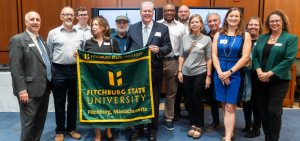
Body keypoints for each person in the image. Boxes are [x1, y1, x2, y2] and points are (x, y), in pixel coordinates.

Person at [126, 1, 172, 141]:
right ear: (140, 13)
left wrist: (159, 50)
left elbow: (168, 47)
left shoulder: (162, 28)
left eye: (149, 11)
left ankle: (152, 130)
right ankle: (138, 129)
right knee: (137, 102)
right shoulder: (132, 28)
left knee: (154, 102)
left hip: (154, 71)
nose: (147, 13)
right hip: (136, 73)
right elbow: (128, 49)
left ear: (153, 13)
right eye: (144, 11)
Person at [252, 10, 298, 141]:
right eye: (271, 21)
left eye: (277, 20)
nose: (274, 23)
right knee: (264, 111)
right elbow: (255, 56)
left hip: (279, 80)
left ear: (283, 22)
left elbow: (289, 60)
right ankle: (268, 136)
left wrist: (269, 74)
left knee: (273, 111)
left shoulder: (291, 38)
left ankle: (273, 138)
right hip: (260, 79)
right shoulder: (262, 37)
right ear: (268, 23)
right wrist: (260, 72)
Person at [74, 16, 120, 141]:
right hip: (93, 81)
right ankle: (98, 133)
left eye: (96, 25)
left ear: (104, 27)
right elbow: (84, 61)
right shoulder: (89, 42)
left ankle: (109, 129)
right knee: (96, 107)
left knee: (109, 105)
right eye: (92, 25)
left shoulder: (112, 42)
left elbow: (119, 60)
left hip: (109, 80)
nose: (93, 27)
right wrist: (78, 55)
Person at [9, 11, 52, 141]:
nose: (35, 22)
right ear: (26, 22)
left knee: (40, 122)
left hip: (44, 89)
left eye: (37, 19)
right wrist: (22, 90)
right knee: (28, 125)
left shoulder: (42, 40)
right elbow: (16, 68)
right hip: (28, 91)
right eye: (32, 19)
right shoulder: (18, 40)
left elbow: (45, 63)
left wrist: (49, 83)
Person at [211, 7, 251, 141]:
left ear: (240, 19)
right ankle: (230, 131)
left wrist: (229, 72)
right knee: (223, 104)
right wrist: (220, 73)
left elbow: (245, 57)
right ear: (226, 18)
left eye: (236, 16)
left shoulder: (245, 35)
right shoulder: (218, 34)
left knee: (230, 106)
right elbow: (214, 55)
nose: (233, 18)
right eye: (231, 16)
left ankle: (228, 137)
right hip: (219, 72)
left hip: (235, 74)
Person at [47, 6, 86, 141]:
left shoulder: (80, 33)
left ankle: (71, 129)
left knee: (73, 102)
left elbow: (84, 52)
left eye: (71, 15)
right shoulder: (53, 33)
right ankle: (59, 131)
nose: (69, 17)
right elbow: (49, 54)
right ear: (61, 16)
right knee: (59, 102)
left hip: (76, 70)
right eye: (66, 14)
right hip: (58, 70)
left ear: (74, 17)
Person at [177, 14, 212, 139]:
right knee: (188, 100)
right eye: (192, 22)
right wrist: (179, 71)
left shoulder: (207, 39)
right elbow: (181, 56)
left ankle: (199, 125)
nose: (195, 24)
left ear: (201, 24)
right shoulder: (185, 38)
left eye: (197, 22)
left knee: (197, 100)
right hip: (186, 73)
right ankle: (192, 124)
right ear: (189, 24)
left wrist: (208, 76)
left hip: (200, 73)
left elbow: (209, 59)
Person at [157, 3, 185, 131]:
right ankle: (153, 118)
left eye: (171, 10)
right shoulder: (156, 24)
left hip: (174, 61)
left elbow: (184, 47)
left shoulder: (181, 26)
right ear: (163, 12)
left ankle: (169, 118)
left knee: (172, 92)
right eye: (166, 10)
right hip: (157, 61)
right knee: (155, 91)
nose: (168, 12)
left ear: (175, 12)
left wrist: (181, 67)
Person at [242, 17, 263, 138]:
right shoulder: (243, 38)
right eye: (250, 25)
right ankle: (247, 124)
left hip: (258, 75)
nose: (253, 27)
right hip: (245, 75)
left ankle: (256, 127)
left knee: (256, 102)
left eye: (256, 25)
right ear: (247, 26)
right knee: (246, 101)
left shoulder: (264, 40)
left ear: (260, 26)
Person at [204, 13, 222, 132]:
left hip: (225, 70)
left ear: (219, 21)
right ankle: (216, 122)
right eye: (209, 21)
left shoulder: (226, 35)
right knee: (213, 98)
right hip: (210, 71)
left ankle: (229, 125)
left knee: (227, 101)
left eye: (214, 20)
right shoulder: (205, 37)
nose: (212, 23)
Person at [173, 5, 190, 121]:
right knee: (177, 88)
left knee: (189, 88)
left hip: (191, 61)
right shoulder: (173, 26)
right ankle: (176, 111)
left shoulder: (195, 24)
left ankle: (191, 111)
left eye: (185, 11)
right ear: (177, 13)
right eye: (181, 12)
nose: (183, 13)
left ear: (189, 13)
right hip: (176, 60)